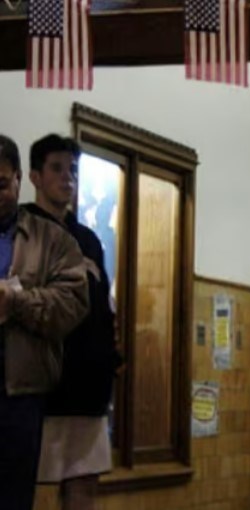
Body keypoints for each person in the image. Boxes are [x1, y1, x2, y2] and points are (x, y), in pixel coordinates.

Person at [27, 134, 120, 510]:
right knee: (25, 483)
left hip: (88, 383)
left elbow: (103, 309)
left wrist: (111, 360)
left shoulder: (89, 240)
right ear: (35, 176)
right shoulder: (21, 230)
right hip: (37, 385)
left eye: (73, 170)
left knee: (84, 481)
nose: (67, 178)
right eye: (57, 168)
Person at [0, 134, 89, 510]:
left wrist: (15, 301)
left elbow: (71, 305)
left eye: (1, 184)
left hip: (19, 396)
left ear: (20, 179)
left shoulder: (54, 240)